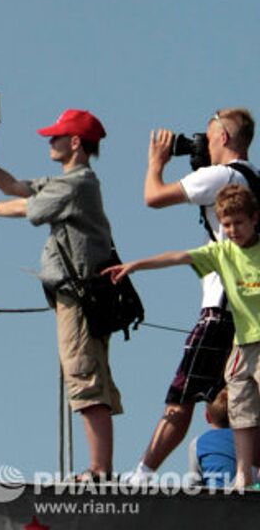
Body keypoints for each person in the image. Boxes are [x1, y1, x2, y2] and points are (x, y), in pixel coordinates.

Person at [0, 108, 122, 480]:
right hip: (75, 298)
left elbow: (28, 207)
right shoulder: (66, 182)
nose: (50, 141)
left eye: (57, 136)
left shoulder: (77, 185)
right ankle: (100, 467)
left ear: (76, 142)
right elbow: (14, 186)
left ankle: (99, 469)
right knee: (84, 375)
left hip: (79, 299)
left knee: (84, 376)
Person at [123, 107, 257, 485]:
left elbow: (154, 197)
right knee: (237, 406)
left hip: (221, 309)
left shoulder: (223, 175)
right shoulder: (255, 178)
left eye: (209, 135)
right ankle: (246, 475)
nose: (205, 142)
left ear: (225, 138)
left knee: (181, 395)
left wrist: (156, 162)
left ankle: (142, 475)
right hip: (249, 312)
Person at [105, 183, 260, 489]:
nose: (232, 230)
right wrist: (137, 265)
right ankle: (244, 475)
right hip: (243, 343)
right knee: (241, 409)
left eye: (238, 223)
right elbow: (179, 257)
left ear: (255, 219)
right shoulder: (222, 251)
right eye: (226, 225)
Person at [187, 389, 236, 488]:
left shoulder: (198, 443)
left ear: (207, 417)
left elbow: (194, 484)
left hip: (214, 499)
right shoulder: (250, 441)